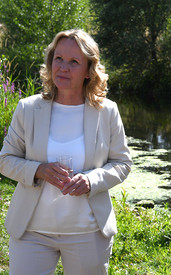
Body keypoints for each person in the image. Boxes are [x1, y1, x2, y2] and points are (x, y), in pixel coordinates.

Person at [0, 29, 132, 275]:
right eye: (58, 58)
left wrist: (92, 180)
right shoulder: (28, 108)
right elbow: (5, 160)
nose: (63, 67)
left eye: (74, 62)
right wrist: (38, 170)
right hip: (32, 232)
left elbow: (122, 163)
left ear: (88, 70)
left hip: (88, 233)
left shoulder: (107, 111)